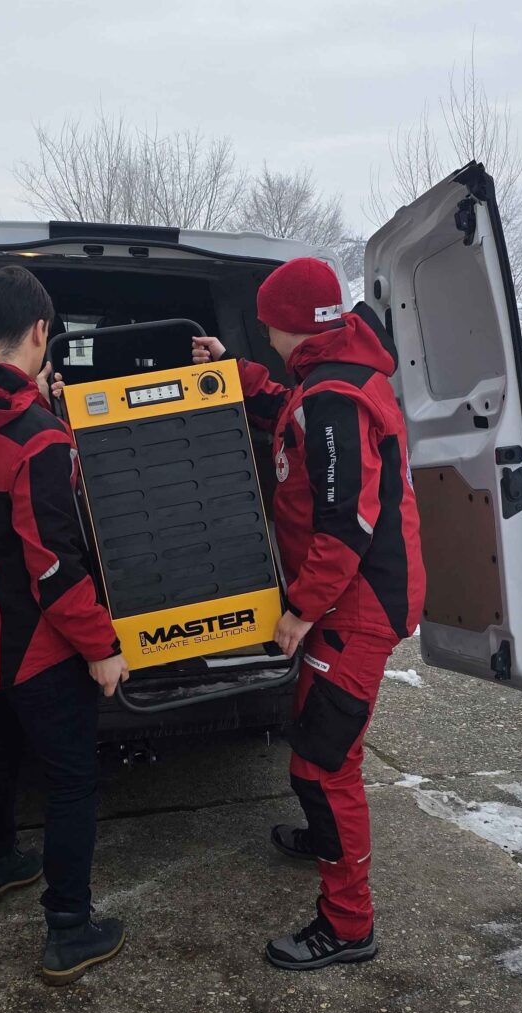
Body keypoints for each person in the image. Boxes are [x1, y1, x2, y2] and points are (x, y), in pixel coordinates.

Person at [192, 257, 426, 971]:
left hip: (356, 606)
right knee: (313, 745)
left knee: (324, 767)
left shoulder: (337, 398)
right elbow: (285, 409)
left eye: (266, 321)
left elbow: (346, 525)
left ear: (289, 323)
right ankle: (324, 837)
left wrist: (298, 611)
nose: (262, 331)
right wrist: (231, 371)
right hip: (341, 599)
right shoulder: (327, 378)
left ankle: (348, 925)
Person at [0, 264, 129, 985]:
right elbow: (56, 569)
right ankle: (69, 931)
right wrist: (101, 648)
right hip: (33, 648)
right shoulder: (37, 440)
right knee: (72, 780)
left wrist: (34, 402)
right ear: (42, 331)